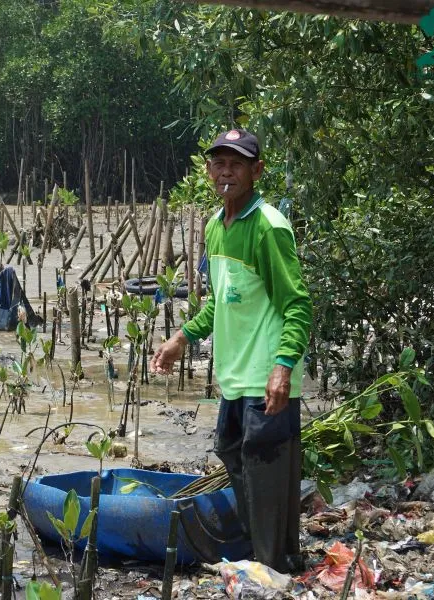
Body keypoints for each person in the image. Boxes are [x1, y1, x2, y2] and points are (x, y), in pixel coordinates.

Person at [150, 129, 312, 573]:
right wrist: (181, 339)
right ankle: (267, 554)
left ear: (256, 171)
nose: (226, 171)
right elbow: (221, 301)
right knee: (234, 454)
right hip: (235, 376)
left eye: (236, 163)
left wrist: (283, 367)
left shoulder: (269, 228)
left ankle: (274, 564)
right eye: (218, 163)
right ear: (208, 171)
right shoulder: (215, 227)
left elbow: (297, 304)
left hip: (266, 376)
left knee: (267, 475)